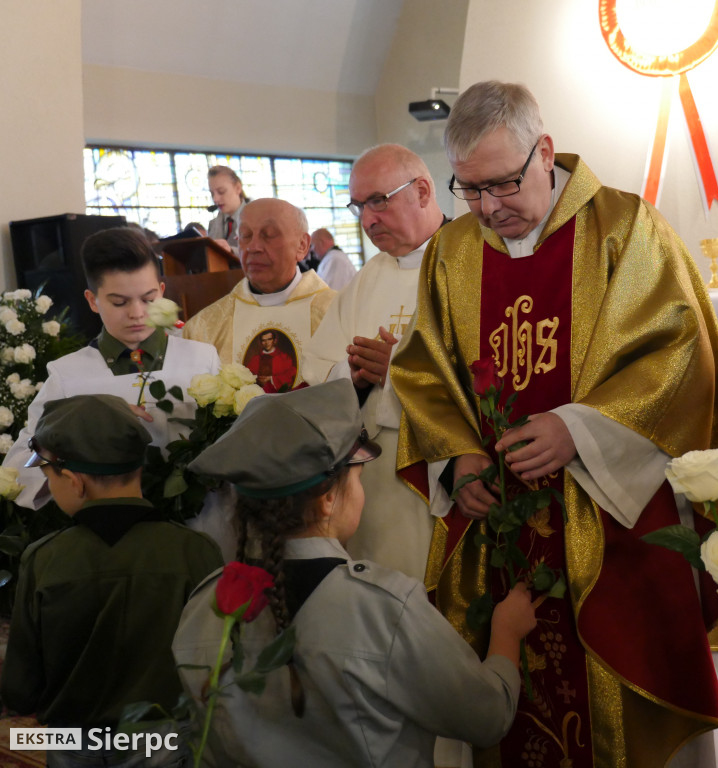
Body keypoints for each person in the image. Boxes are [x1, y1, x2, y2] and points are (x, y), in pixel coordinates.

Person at [389, 81, 718, 768]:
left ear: (545, 152)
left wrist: (580, 429)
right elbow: (426, 369)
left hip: (614, 523)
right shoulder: (454, 252)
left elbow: (682, 357)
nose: (489, 209)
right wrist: (457, 460)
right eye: (470, 190)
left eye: (504, 185)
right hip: (503, 530)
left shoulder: (627, 229)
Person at [173, 379, 538, 768]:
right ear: (329, 498)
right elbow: (487, 717)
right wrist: (506, 634)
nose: (361, 492)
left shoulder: (204, 605)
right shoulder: (383, 609)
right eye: (358, 479)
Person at [1, 394, 223, 767]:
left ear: (74, 481)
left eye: (49, 475)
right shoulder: (195, 551)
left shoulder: (46, 558)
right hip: (164, 740)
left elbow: (22, 690)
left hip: (74, 743)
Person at [301, 144, 446, 580]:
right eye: (359, 206)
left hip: (438, 473)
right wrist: (358, 375)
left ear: (422, 191)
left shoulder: (469, 260)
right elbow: (318, 370)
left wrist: (399, 370)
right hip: (367, 484)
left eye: (378, 201)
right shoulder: (370, 276)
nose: (367, 220)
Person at [2, 227, 221, 510]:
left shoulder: (202, 359)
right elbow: (19, 467)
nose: (137, 313)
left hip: (203, 519)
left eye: (148, 298)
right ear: (93, 300)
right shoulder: (67, 376)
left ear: (163, 292)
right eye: (120, 302)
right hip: (111, 534)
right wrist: (81, 423)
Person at [183, 198, 335, 390]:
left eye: (269, 235)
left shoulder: (337, 313)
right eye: (246, 236)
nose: (253, 247)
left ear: (302, 245)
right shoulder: (204, 328)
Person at [207, 165, 248, 255]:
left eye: (221, 192)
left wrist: (231, 251)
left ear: (238, 188)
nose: (215, 199)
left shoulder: (256, 218)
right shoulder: (212, 224)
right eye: (212, 193)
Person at [245, 328, 297, 392]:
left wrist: (271, 379)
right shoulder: (255, 358)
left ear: (274, 341)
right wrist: (257, 379)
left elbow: (291, 374)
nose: (267, 343)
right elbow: (247, 376)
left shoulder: (284, 357)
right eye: (263, 340)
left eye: (269, 339)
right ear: (261, 342)